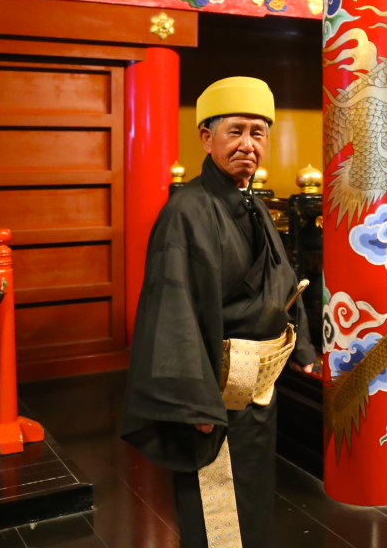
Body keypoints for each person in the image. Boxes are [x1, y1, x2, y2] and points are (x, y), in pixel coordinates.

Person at [121, 77, 317, 548]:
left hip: (258, 391)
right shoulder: (185, 211)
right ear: (207, 138)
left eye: (258, 132)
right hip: (215, 391)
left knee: (251, 494)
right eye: (235, 131)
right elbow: (172, 310)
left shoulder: (254, 205)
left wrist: (302, 346)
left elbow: (283, 280)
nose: (248, 144)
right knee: (216, 504)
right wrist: (195, 402)